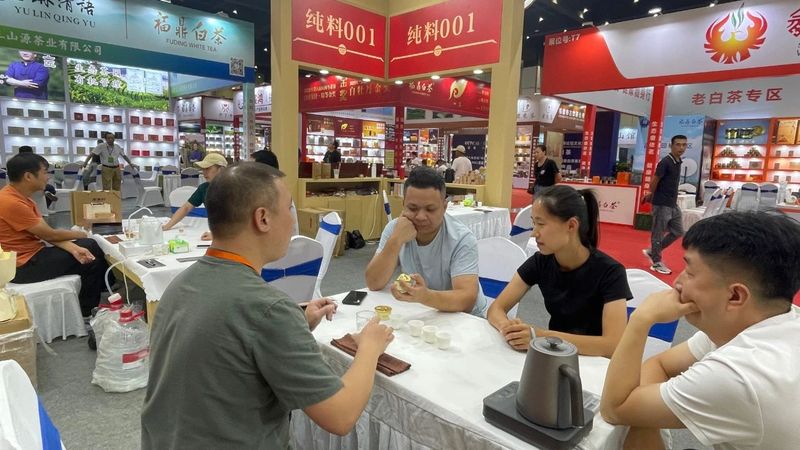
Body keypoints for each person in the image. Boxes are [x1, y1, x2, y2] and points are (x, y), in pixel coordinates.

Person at [141, 162, 395, 449]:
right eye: (288, 209)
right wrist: (370, 347)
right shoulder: (268, 308)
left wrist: (298, 323)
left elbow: (225, 347)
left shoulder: (180, 283)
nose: (292, 220)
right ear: (262, 218)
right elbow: (341, 415)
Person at [600, 211, 800, 450]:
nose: (677, 282)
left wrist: (641, 320)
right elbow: (660, 364)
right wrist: (642, 413)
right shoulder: (772, 320)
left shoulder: (739, 374)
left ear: (735, 296)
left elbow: (614, 408)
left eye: (690, 272)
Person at [486, 185, 630, 356]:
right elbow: (496, 309)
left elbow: (612, 345)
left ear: (571, 225)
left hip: (594, 362)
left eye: (541, 224)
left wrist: (541, 336)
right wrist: (509, 329)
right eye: (533, 223)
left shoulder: (610, 273)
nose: (534, 233)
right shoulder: (541, 261)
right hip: (554, 356)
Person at [365, 166, 487, 316]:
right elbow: (373, 283)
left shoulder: (461, 238)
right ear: (403, 205)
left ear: (444, 207)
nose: (421, 217)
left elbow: (466, 300)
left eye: (430, 209)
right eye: (412, 208)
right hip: (424, 312)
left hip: (465, 318)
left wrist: (425, 296)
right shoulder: (395, 228)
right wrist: (396, 240)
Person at [0, 153, 109, 317]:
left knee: (87, 246)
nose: (48, 177)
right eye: (45, 172)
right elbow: (50, 235)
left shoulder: (21, 199)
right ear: (28, 176)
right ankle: (88, 312)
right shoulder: (12, 202)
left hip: (30, 256)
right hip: (23, 267)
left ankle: (106, 287)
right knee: (91, 253)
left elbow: (46, 235)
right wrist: (84, 233)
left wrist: (73, 247)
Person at [642, 135, 687, 275]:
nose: (681, 147)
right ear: (671, 146)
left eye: (684, 145)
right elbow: (655, 179)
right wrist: (650, 193)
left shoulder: (677, 161)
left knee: (678, 231)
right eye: (678, 144)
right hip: (662, 203)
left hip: (672, 203)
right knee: (658, 233)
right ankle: (656, 262)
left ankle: (653, 252)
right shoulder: (665, 162)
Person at [162, 153, 227, 231]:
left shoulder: (234, 188)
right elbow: (186, 208)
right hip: (217, 230)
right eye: (203, 169)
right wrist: (167, 226)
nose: (204, 172)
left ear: (221, 170)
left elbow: (237, 219)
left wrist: (217, 235)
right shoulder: (204, 188)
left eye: (207, 168)